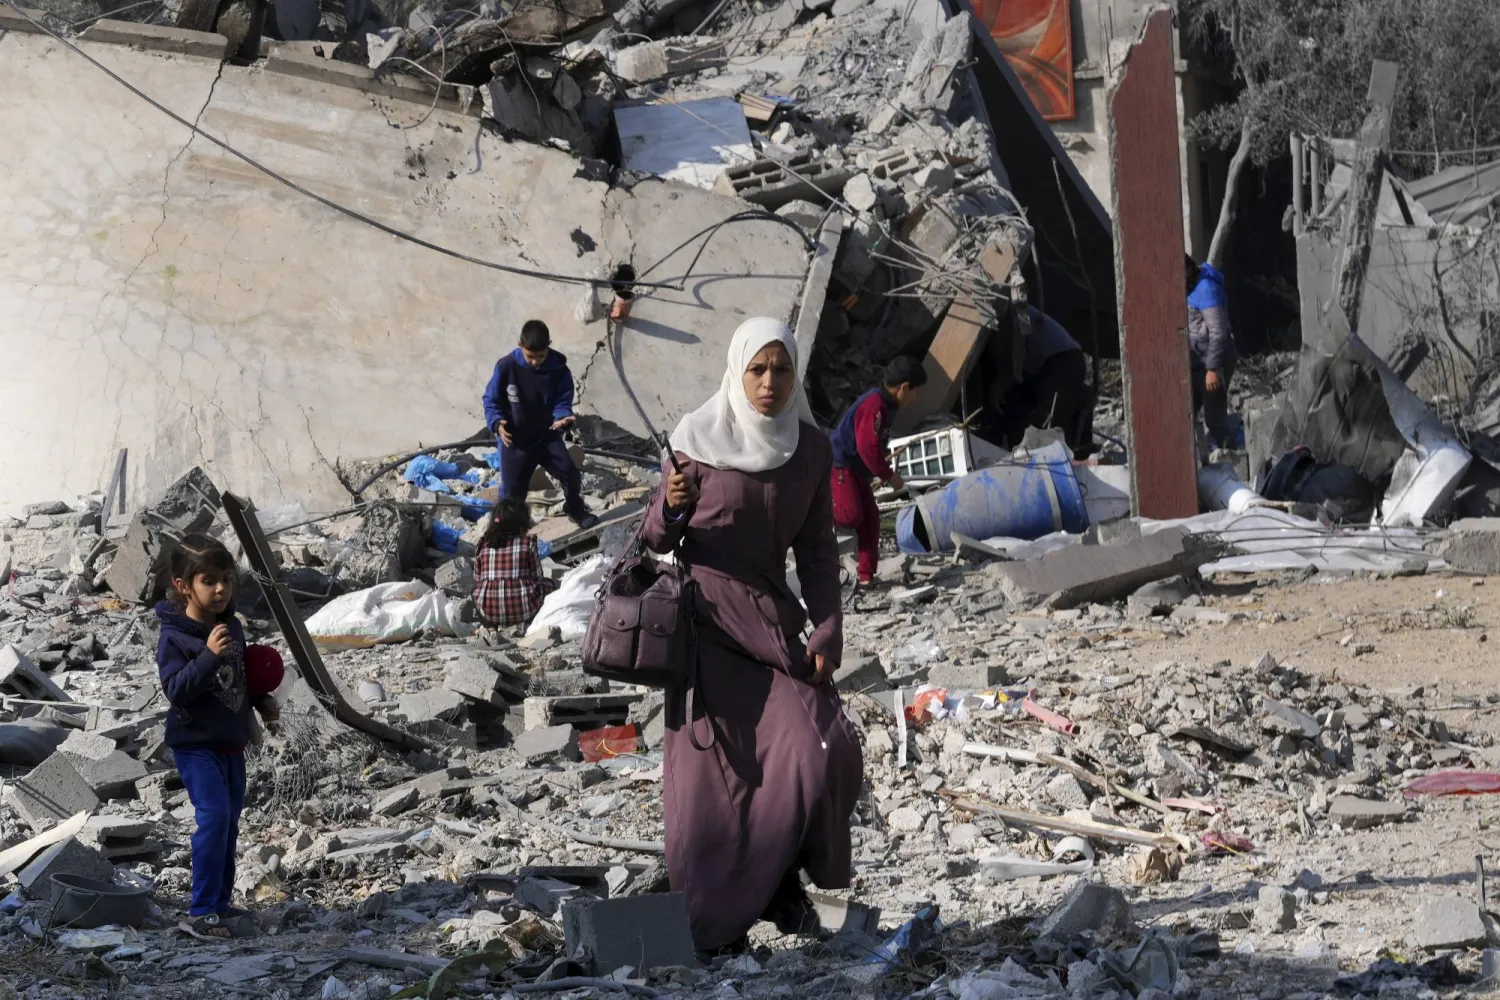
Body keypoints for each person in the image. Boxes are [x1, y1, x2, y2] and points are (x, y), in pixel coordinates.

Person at [642, 316, 863, 956]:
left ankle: (805, 895)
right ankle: (714, 924)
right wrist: (670, 504)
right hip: (706, 625)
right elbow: (655, 542)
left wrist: (827, 626)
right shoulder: (694, 439)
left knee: (825, 750)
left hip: (771, 621)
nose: (770, 383)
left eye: (782, 369)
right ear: (737, 373)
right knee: (720, 785)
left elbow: (819, 552)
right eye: (758, 370)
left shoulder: (811, 451)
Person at [156, 534, 278, 940]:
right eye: (209, 580)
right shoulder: (175, 637)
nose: (221, 588)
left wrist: (261, 701)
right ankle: (200, 911)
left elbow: (237, 678)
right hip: (195, 744)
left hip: (230, 742)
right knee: (213, 818)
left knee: (229, 823)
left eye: (225, 578)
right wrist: (207, 655)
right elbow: (175, 689)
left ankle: (220, 904)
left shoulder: (232, 627)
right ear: (183, 585)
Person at [482, 319, 597, 528]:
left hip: (547, 437)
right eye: (530, 357)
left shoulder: (559, 370)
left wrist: (562, 418)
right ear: (520, 345)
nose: (535, 362)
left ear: (549, 347)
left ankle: (574, 508)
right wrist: (497, 423)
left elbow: (563, 401)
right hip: (515, 441)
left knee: (570, 474)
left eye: (541, 356)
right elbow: (491, 400)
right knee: (511, 494)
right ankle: (511, 531)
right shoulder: (506, 367)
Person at [829, 357, 926, 586]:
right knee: (850, 515)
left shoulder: (887, 406)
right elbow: (867, 447)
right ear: (903, 387)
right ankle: (815, 510)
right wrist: (888, 475)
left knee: (870, 520)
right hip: (841, 465)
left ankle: (865, 576)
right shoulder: (874, 405)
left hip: (859, 471)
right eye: (915, 391)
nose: (916, 398)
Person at [999, 304, 1091, 451]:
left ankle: (1058, 456)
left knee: (1053, 421)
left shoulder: (1017, 311)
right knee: (1053, 416)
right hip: (1064, 360)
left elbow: (1018, 355)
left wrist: (1002, 384)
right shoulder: (1016, 311)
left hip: (1061, 361)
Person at [472, 497, 557, 629]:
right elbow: (537, 578)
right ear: (522, 525)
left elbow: (477, 580)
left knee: (475, 592)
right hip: (525, 611)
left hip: (490, 612)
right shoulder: (527, 543)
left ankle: (491, 625)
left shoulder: (483, 545)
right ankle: (531, 620)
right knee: (550, 585)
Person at [1186, 256, 1238, 449]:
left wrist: (1213, 368)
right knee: (1184, 415)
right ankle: (1199, 462)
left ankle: (1232, 461)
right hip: (1197, 363)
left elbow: (1218, 332)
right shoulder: (1189, 288)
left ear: (1188, 270)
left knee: (1214, 419)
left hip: (1213, 362)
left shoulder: (1206, 289)